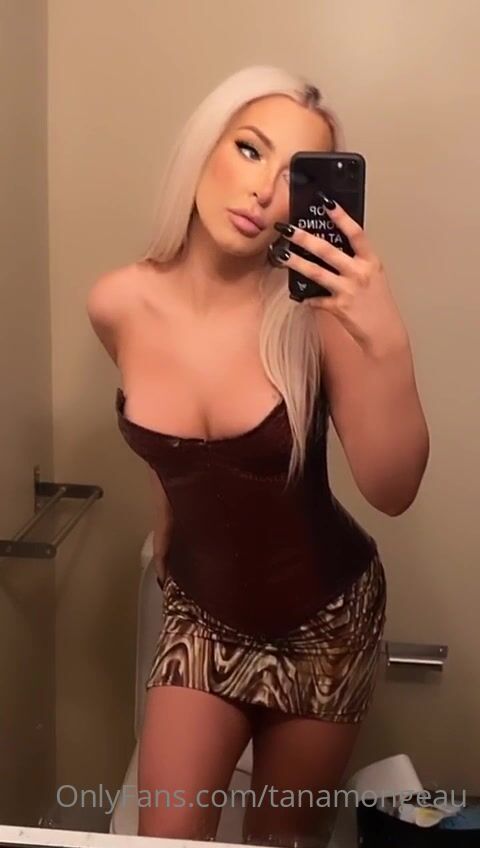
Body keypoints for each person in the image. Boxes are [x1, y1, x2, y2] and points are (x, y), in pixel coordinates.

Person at [86, 65, 429, 847]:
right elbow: (164, 439)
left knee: (283, 840)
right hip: (203, 613)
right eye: (248, 149)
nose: (263, 191)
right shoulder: (116, 304)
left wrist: (385, 338)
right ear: (204, 147)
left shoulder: (316, 317)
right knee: (162, 836)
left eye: (292, 177)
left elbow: (393, 488)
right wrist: (168, 526)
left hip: (327, 619)